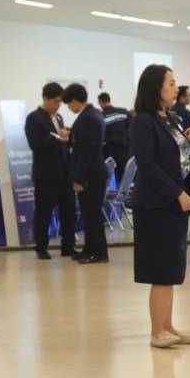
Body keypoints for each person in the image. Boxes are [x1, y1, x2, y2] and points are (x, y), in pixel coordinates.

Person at [130, 64, 190, 348]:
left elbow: (180, 157)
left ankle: (168, 326)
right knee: (161, 270)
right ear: (155, 87)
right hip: (155, 205)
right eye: (171, 83)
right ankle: (156, 331)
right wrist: (177, 193)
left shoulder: (170, 118)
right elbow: (147, 165)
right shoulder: (143, 121)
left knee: (171, 268)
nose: (176, 88)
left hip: (172, 203)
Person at [24, 82, 77, 259]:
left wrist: (67, 138)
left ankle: (68, 246)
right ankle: (41, 247)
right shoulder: (34, 118)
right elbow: (35, 144)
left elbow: (62, 143)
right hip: (46, 174)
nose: (58, 105)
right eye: (55, 101)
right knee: (44, 211)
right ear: (45, 99)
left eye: (60, 102)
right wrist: (55, 138)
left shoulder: (59, 117)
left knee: (68, 210)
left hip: (64, 172)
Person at [64, 82, 110, 262]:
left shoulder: (88, 118)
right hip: (94, 172)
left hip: (91, 174)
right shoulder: (94, 113)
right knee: (89, 213)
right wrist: (70, 137)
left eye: (69, 103)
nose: (69, 108)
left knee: (92, 215)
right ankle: (89, 248)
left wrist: (78, 179)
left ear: (75, 100)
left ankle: (99, 252)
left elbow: (86, 152)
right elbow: (83, 142)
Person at [99, 91, 131, 172]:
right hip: (124, 149)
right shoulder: (123, 112)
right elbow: (132, 127)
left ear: (101, 102)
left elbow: (99, 134)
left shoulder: (101, 116)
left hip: (109, 152)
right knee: (125, 175)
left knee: (111, 175)